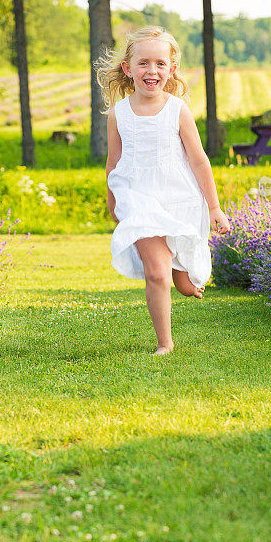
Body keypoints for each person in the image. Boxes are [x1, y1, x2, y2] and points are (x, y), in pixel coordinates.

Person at [96, 26, 230, 355]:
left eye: (159, 63)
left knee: (185, 284)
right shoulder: (118, 114)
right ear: (128, 69)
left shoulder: (177, 110)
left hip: (178, 199)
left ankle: (181, 275)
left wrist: (214, 208)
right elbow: (113, 163)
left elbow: (199, 161)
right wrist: (113, 203)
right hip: (138, 201)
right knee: (157, 274)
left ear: (171, 69)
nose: (151, 70)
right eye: (143, 63)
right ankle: (164, 343)